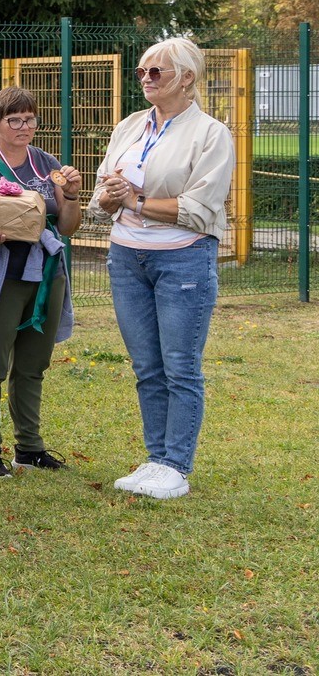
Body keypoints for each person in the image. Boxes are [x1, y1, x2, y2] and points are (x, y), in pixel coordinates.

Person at [96, 38, 235, 501]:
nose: (145, 79)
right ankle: (156, 460)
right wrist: (108, 198)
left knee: (180, 366)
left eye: (156, 72)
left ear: (187, 78)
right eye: (141, 72)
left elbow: (200, 207)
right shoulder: (130, 126)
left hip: (183, 258)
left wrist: (135, 200)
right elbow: (102, 195)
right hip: (125, 256)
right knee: (147, 367)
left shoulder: (211, 134)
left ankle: (176, 465)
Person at [0, 86, 83, 480]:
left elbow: (68, 228)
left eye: (30, 119)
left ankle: (29, 447)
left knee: (32, 365)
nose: (25, 127)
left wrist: (72, 196)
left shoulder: (47, 164)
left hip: (46, 275)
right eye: (15, 120)